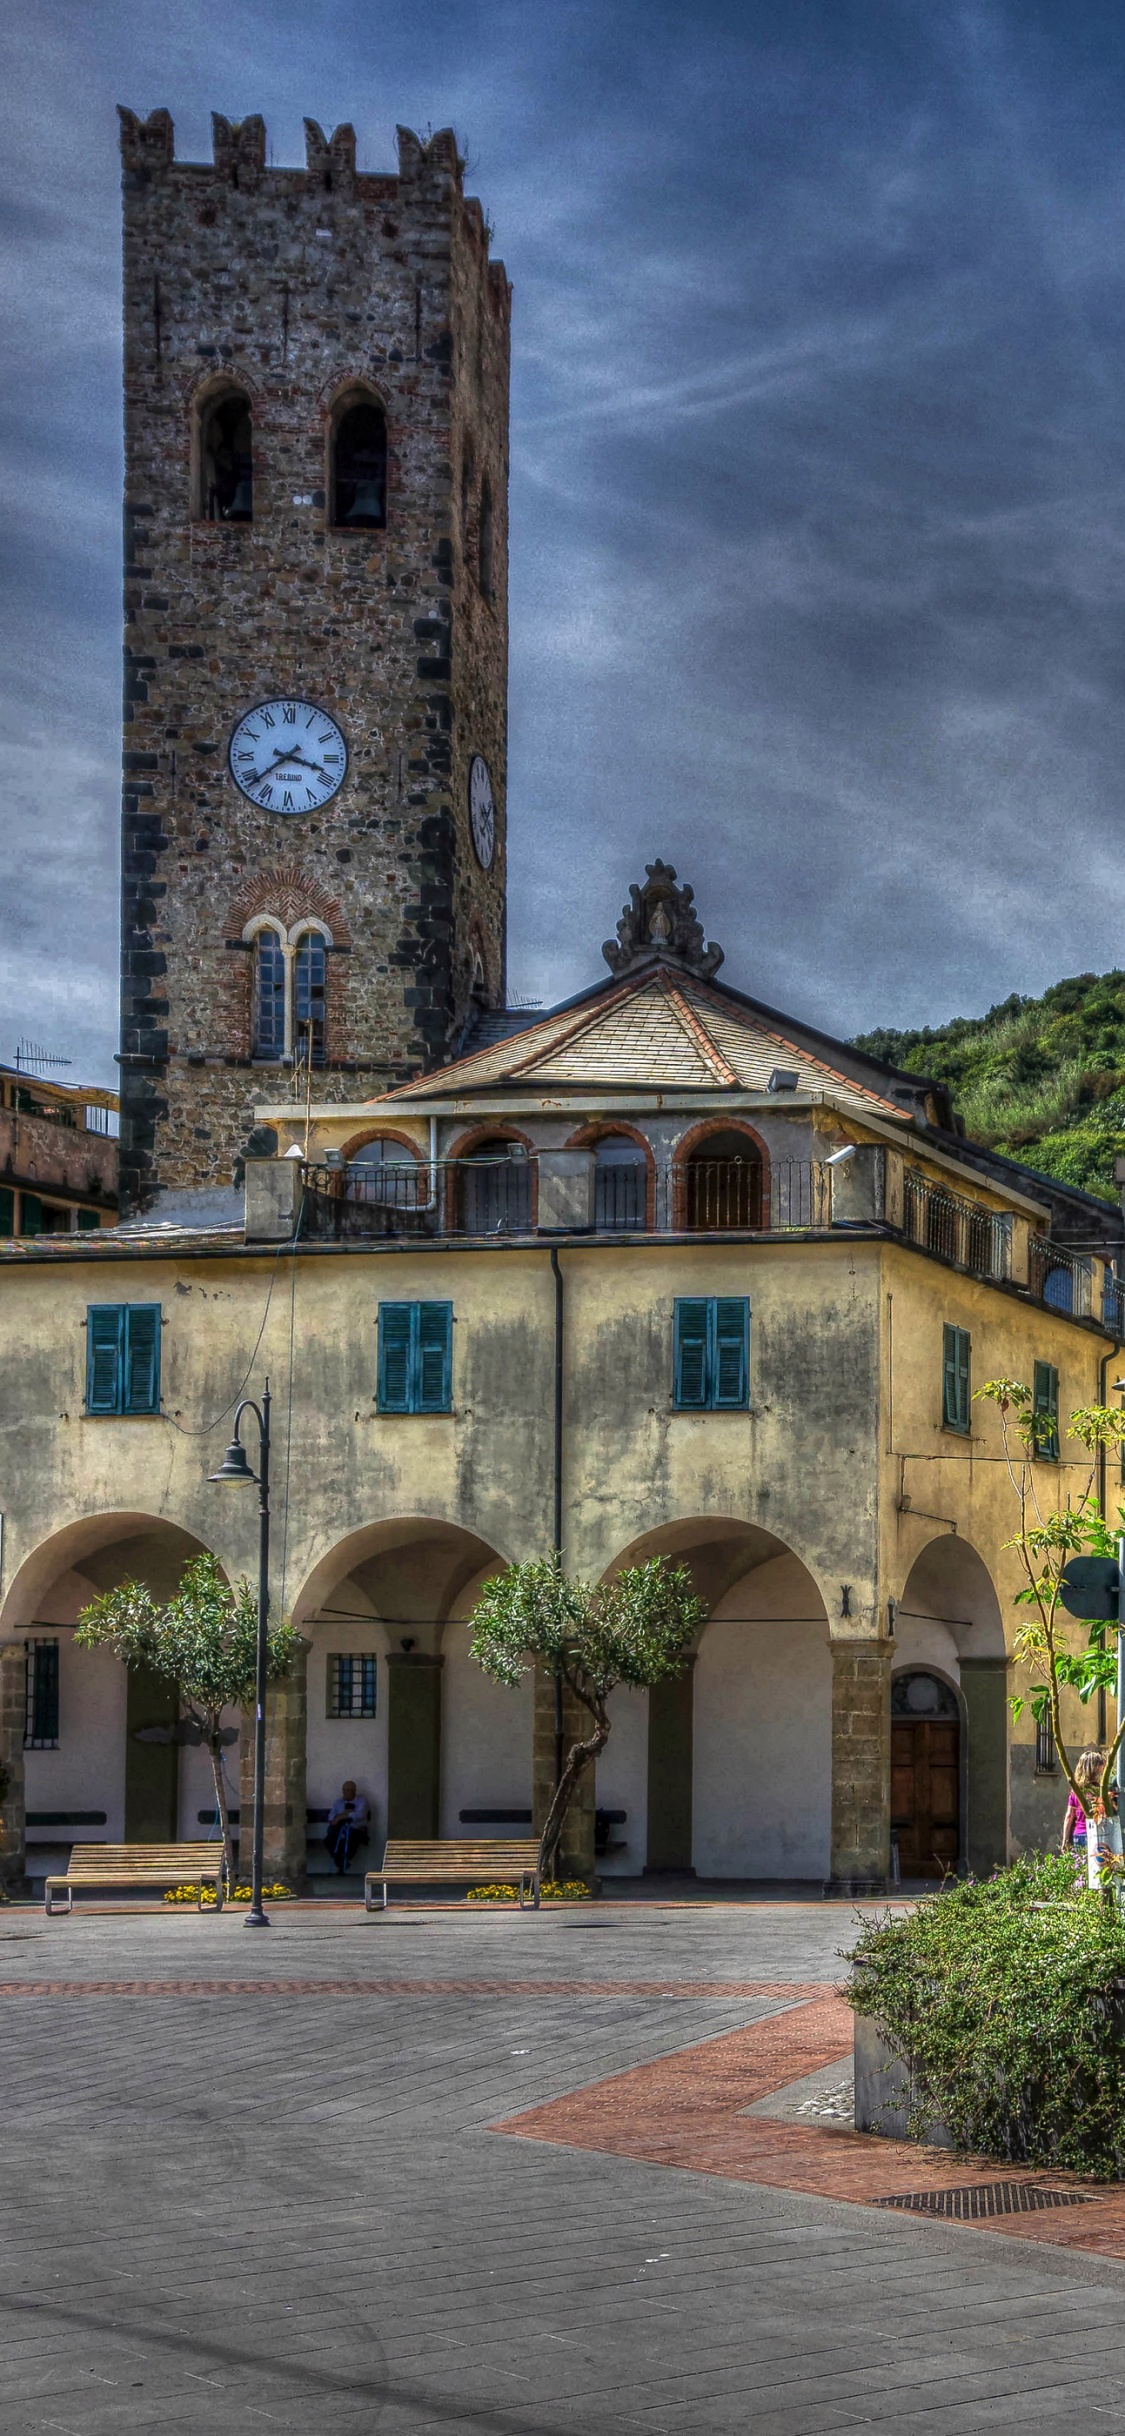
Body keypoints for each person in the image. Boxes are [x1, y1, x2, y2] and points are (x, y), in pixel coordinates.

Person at [1062, 1747, 1107, 1867]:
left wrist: (1065, 1840)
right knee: (1097, 1870)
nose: (1103, 1768)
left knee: (1081, 1870)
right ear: (1094, 1768)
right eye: (1101, 1765)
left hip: (1079, 1834)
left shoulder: (1076, 1790)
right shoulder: (1100, 1791)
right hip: (1096, 1834)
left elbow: (1069, 1817)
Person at [325, 1781, 370, 1876]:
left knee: (350, 1839)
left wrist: (343, 1816)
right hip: (339, 1830)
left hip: (356, 1829)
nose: (345, 1793)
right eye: (344, 1790)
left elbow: (360, 1815)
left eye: (348, 1791)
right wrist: (342, 1815)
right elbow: (331, 1817)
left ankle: (342, 1865)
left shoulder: (361, 1800)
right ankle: (343, 1863)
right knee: (328, 1840)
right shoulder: (338, 1802)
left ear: (354, 1791)